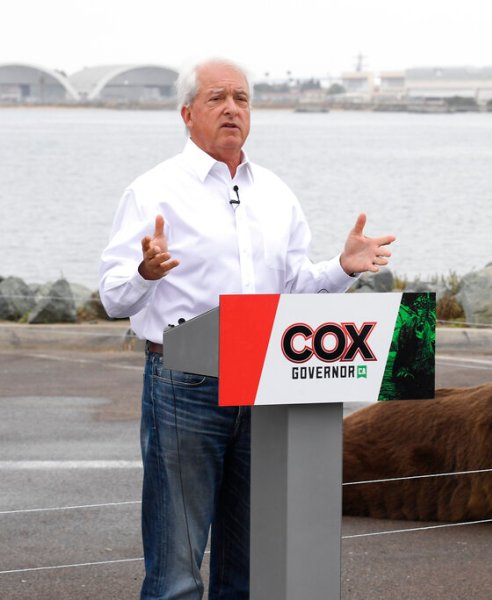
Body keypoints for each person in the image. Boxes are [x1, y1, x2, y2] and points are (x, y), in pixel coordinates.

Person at [99, 57, 395, 600]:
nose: (232, 108)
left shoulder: (276, 194)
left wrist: (342, 268)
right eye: (217, 98)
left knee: (253, 569)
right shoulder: (153, 191)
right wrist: (145, 272)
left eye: (241, 98)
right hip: (184, 382)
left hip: (266, 381)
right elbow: (113, 297)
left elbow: (296, 291)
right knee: (176, 570)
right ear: (188, 114)